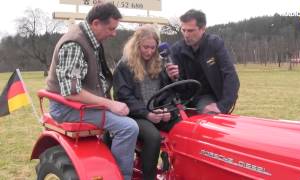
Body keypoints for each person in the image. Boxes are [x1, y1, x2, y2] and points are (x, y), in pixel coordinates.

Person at [46, 3, 138, 180]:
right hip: (68, 108)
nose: (114, 33)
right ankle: (121, 176)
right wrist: (110, 104)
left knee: (132, 115)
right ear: (96, 23)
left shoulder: (91, 40)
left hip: (83, 104)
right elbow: (71, 91)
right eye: (111, 28)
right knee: (128, 127)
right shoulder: (74, 44)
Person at [113, 25, 179, 180]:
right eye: (145, 47)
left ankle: (175, 171)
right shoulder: (124, 66)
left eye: (152, 48)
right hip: (134, 114)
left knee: (184, 128)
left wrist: (168, 111)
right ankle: (149, 177)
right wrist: (147, 114)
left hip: (156, 112)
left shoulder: (159, 63)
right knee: (152, 136)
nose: (149, 51)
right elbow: (123, 97)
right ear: (137, 45)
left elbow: (167, 91)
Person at [166, 9, 240, 114]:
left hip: (208, 96)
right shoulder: (176, 50)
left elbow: (230, 75)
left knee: (209, 115)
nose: (186, 35)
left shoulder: (214, 44)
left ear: (203, 29)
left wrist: (222, 106)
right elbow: (179, 88)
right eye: (183, 30)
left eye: (191, 31)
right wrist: (174, 78)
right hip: (183, 98)